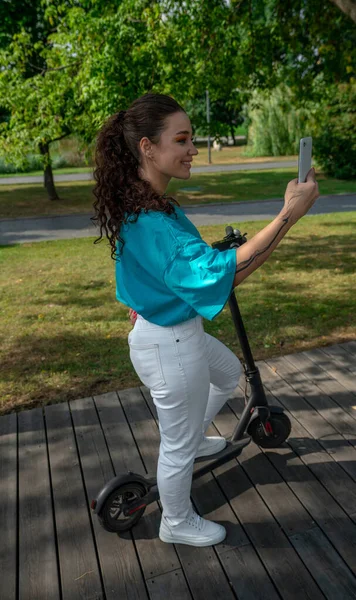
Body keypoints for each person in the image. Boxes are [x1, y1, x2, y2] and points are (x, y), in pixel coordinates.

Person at [92, 92, 319, 548]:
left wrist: (268, 233)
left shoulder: (151, 204)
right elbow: (222, 274)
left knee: (228, 371)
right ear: (147, 148)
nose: (193, 148)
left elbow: (198, 273)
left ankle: (194, 440)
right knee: (175, 447)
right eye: (182, 139)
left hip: (167, 335)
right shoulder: (154, 219)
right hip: (171, 346)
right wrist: (287, 215)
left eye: (192, 138)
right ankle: (175, 520)